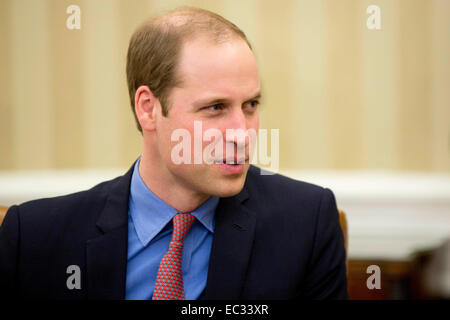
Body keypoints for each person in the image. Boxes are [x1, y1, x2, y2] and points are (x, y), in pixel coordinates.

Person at [0, 7, 348, 300]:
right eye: (215, 107)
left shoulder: (306, 225)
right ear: (148, 108)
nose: (242, 133)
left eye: (250, 105)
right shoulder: (33, 238)